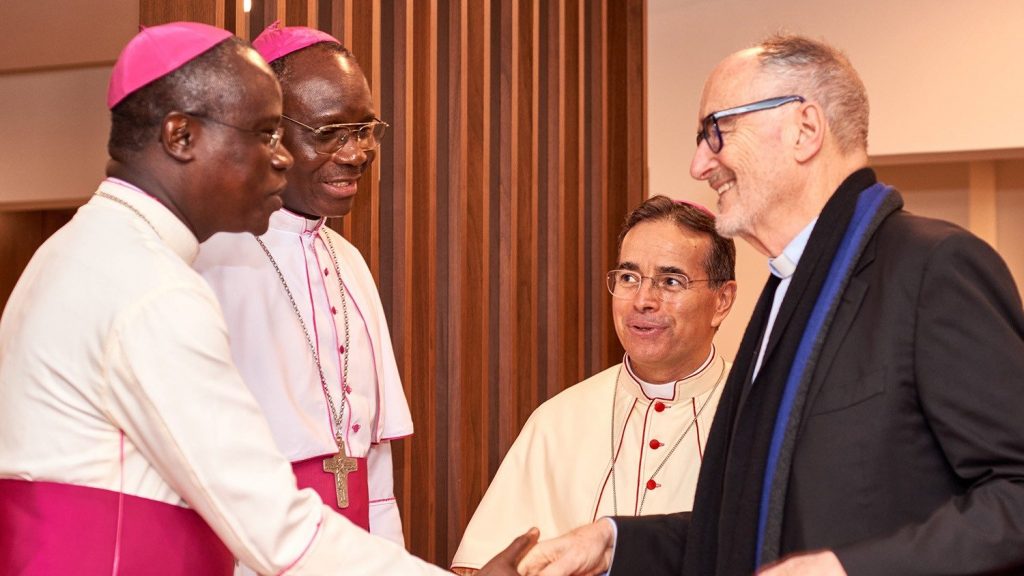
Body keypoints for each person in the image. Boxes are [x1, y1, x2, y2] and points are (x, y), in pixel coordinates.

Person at [0, 22, 530, 576]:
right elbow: (273, 527)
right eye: (262, 135)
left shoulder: (91, 249)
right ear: (181, 137)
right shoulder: (151, 286)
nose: (279, 160)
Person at [518, 33, 1024, 576]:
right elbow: (752, 529)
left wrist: (848, 570)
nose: (698, 164)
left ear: (805, 129)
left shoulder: (932, 267)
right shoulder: (788, 290)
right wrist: (614, 541)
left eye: (717, 131)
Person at [193, 23, 411, 551]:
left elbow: (373, 467)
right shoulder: (211, 260)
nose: (356, 152)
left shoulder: (352, 264)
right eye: (329, 132)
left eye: (364, 129)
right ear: (268, 132)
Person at [450, 196, 737, 574]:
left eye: (670, 281)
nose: (643, 301)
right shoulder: (558, 420)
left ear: (722, 300)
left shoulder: (757, 412)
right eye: (628, 278)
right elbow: (479, 567)